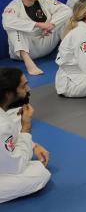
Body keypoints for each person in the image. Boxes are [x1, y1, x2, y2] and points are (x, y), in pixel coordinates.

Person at [0, 68, 51, 204]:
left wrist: (33, 146)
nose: (28, 89)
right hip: (8, 166)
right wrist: (26, 128)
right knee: (39, 173)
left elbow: (10, 136)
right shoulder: (2, 125)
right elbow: (14, 166)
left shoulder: (5, 114)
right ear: (8, 94)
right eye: (23, 86)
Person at [2, 0, 72, 76]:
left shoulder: (44, 0)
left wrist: (52, 25)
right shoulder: (14, 6)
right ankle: (29, 64)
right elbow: (7, 22)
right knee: (12, 28)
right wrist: (38, 24)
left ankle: (69, 52)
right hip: (27, 48)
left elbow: (67, 10)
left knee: (65, 19)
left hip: (46, 39)